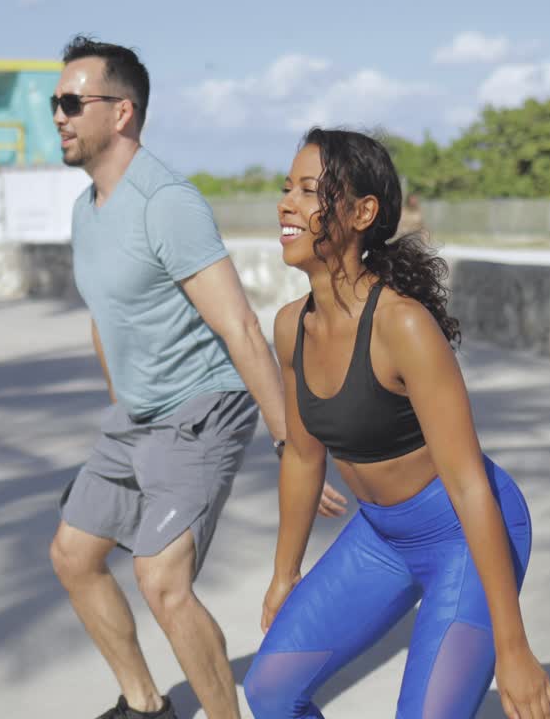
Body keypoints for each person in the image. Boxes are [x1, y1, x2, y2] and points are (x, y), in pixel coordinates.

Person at [46, 36, 347, 719]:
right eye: (54, 104)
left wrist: (288, 442)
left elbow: (239, 325)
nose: (58, 116)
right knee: (72, 555)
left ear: (121, 112)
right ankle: (144, 705)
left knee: (163, 581)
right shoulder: (85, 209)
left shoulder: (166, 201)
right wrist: (122, 408)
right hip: (136, 417)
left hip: (202, 409)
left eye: (70, 102)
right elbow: (107, 316)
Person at [243, 129, 550, 719]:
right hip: (380, 538)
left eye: (310, 191)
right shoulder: (292, 325)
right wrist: (283, 575)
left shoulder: (403, 326)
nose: (287, 203)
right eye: (286, 188)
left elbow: (469, 483)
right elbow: (303, 456)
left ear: (363, 212)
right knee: (270, 690)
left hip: (463, 534)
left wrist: (513, 648)